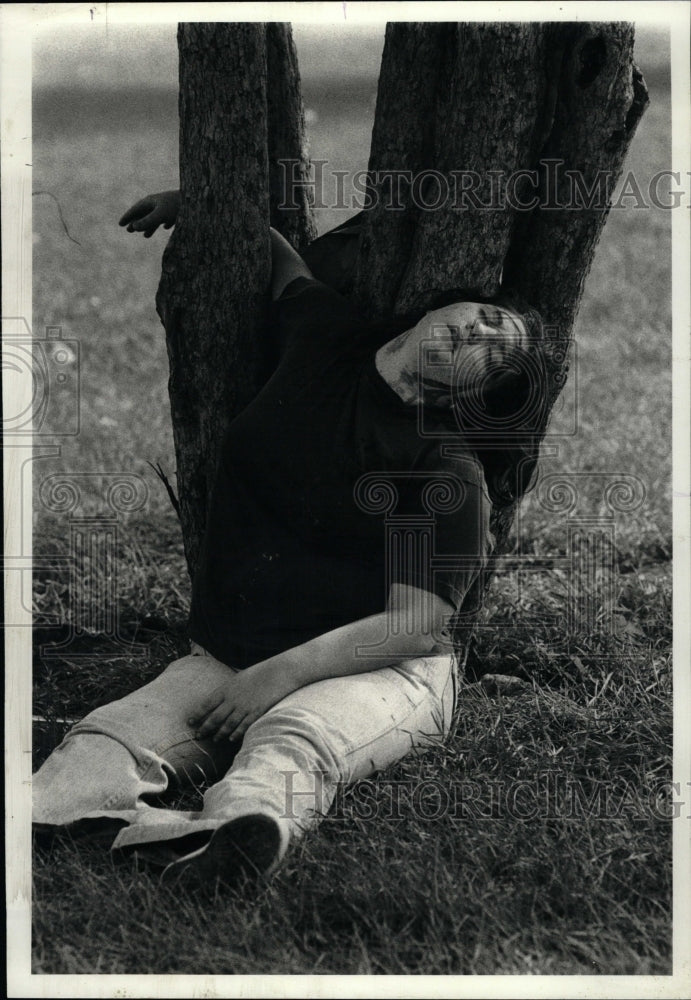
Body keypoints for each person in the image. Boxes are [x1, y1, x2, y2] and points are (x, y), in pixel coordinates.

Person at [33, 191, 547, 888]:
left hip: (384, 671)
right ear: (442, 305)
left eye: (496, 352)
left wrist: (277, 677)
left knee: (291, 739)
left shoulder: (442, 465)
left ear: (480, 390)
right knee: (110, 735)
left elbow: (416, 626)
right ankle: (83, 822)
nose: (476, 336)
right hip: (235, 653)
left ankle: (236, 836)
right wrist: (203, 201)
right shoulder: (326, 339)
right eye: (483, 318)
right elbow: (283, 263)